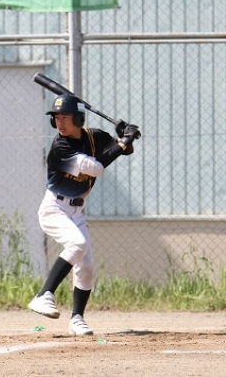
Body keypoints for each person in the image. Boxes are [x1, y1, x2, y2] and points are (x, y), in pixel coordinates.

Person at [27, 94, 141, 335]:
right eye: (56, 118)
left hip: (77, 211)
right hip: (54, 209)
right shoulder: (61, 147)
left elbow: (123, 151)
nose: (59, 122)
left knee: (86, 266)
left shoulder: (94, 136)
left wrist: (125, 136)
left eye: (65, 117)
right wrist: (123, 143)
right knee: (77, 244)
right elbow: (96, 168)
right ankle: (43, 295)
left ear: (78, 119)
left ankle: (77, 319)